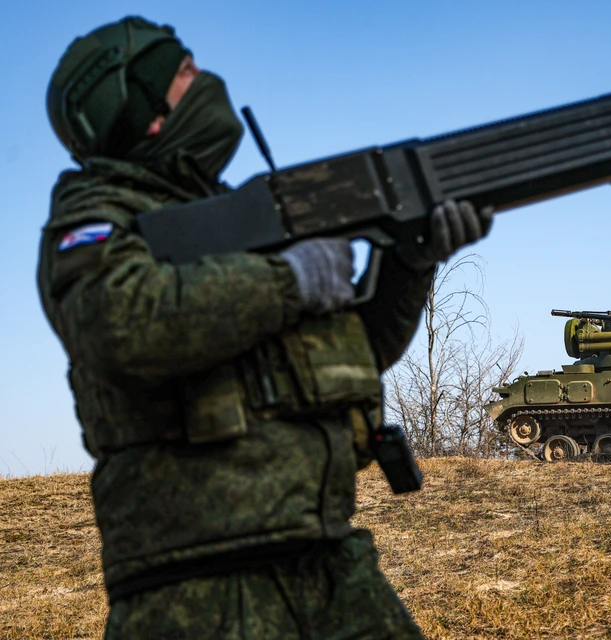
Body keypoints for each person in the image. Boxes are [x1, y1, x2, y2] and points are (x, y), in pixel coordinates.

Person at [40, 16, 492, 639]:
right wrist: (288, 281)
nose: (207, 84)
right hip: (194, 589)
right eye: (185, 75)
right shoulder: (94, 221)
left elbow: (354, 354)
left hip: (329, 557)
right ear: (140, 110)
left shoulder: (239, 217)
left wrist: (408, 264)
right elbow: (121, 324)